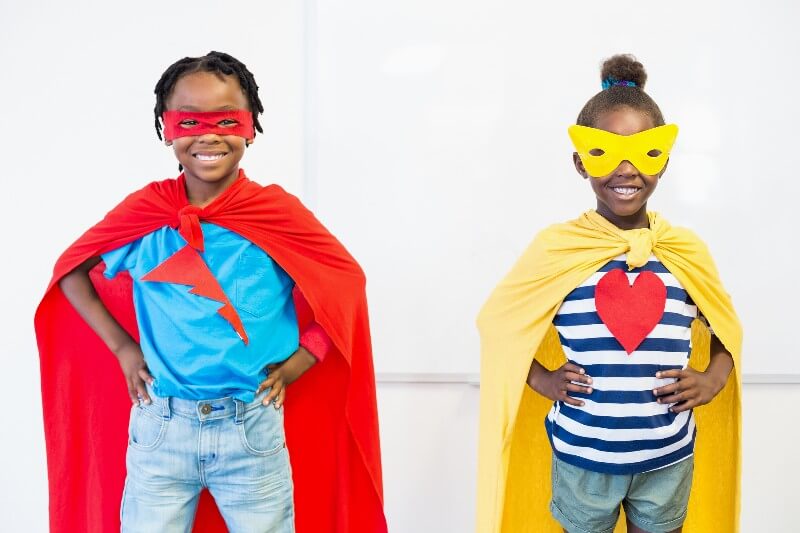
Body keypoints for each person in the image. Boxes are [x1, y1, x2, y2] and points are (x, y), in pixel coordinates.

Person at [34, 51, 386, 533]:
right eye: (190, 120)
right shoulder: (148, 213)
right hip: (161, 428)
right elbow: (71, 271)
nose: (209, 134)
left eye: (227, 119)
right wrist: (122, 348)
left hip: (251, 426)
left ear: (251, 127)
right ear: (166, 127)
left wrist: (307, 356)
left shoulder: (275, 213)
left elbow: (345, 280)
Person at [476, 54, 743, 533]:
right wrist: (543, 381)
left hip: (667, 456)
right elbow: (498, 325)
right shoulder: (558, 250)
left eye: (644, 154)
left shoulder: (683, 251)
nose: (626, 170)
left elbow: (726, 324)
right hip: (583, 458)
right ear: (580, 163)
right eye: (606, 154)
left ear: (663, 161)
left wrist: (713, 378)